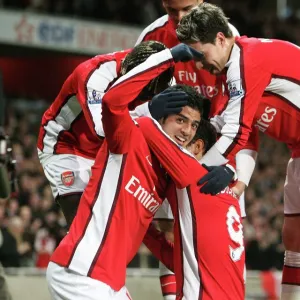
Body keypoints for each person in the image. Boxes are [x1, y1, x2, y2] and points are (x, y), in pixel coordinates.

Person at [46, 45, 205, 299]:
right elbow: (110, 109)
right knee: (79, 218)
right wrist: (169, 57)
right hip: (81, 274)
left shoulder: (165, 172)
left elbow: (152, 236)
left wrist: (198, 271)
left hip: (110, 281)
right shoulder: (127, 133)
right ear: (160, 117)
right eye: (180, 120)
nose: (186, 131)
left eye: (193, 125)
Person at [176, 3, 300, 298]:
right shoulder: (231, 71)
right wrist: (238, 178)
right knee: (293, 237)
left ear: (220, 39)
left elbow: (237, 132)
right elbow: (238, 132)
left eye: (200, 54)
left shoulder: (247, 62)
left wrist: (194, 171)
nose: (198, 66)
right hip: (297, 147)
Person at [135, 1, 252, 297]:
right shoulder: (154, 36)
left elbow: (241, 114)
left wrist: (227, 164)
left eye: (187, 9)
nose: (180, 18)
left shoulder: (226, 35)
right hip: (169, 144)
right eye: (173, 11)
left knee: (227, 234)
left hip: (215, 146)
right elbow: (136, 89)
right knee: (167, 228)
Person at [37, 41, 174, 227]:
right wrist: (148, 109)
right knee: (82, 226)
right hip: (66, 145)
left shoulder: (162, 76)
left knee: (121, 226)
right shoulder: (94, 75)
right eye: (141, 94)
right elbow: (105, 130)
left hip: (106, 150)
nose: (141, 99)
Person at [137, 111, 245, 299]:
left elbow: (145, 125)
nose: (173, 148)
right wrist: (143, 229)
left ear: (197, 147)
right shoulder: (227, 196)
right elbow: (184, 261)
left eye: (179, 142)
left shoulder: (194, 177)